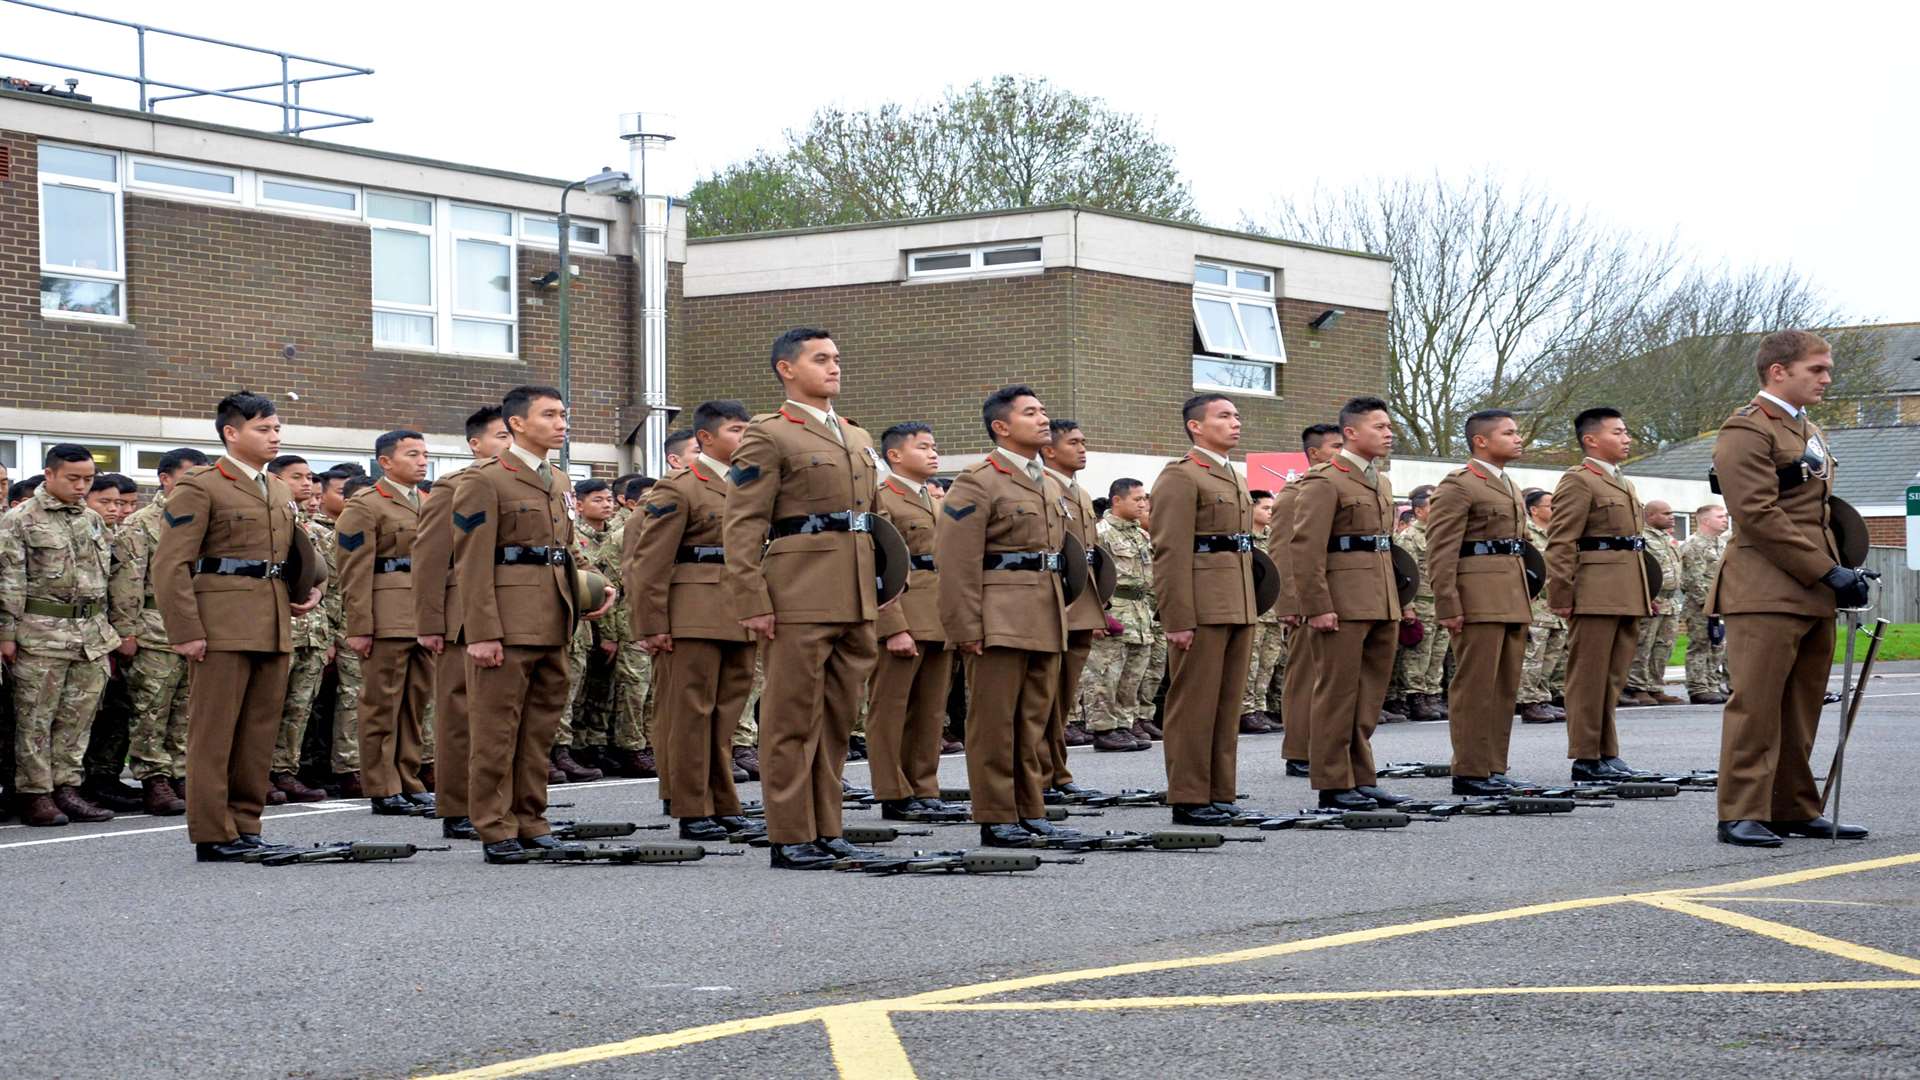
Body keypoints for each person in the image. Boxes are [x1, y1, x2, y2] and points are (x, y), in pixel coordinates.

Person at [722, 329, 884, 870]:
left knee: (838, 719)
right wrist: (752, 597)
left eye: (837, 357)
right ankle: (790, 834)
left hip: (856, 592)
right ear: (786, 369)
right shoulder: (770, 434)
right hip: (798, 591)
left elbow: (879, 529)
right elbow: (743, 522)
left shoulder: (857, 437)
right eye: (821, 359)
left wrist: (888, 600)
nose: (834, 367)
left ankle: (827, 826)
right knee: (792, 719)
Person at [1710, 330, 1868, 846]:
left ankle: (1792, 807)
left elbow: (1820, 513)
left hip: (1811, 587)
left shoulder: (1808, 430)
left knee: (1801, 705)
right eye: (1816, 369)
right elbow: (1756, 514)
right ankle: (1740, 811)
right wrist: (1825, 571)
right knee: (1756, 704)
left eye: (1827, 368)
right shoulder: (1747, 429)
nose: (1827, 378)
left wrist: (1846, 567)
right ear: (1779, 371)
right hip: (1764, 587)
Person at [153, 392, 324, 860]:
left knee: (258, 732)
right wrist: (186, 630)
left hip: (271, 621)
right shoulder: (202, 486)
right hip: (221, 624)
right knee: (214, 733)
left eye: (276, 428)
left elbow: (297, 552)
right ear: (231, 432)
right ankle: (213, 832)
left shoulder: (278, 488)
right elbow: (171, 565)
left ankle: (246, 824)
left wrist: (313, 587)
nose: (275, 437)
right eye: (263, 429)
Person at [455, 386, 614, 863]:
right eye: (549, 415)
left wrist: (594, 588)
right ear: (518, 424)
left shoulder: (560, 481)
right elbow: (471, 561)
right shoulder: (486, 478)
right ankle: (494, 826)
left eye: (564, 414)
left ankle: (531, 819)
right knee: (496, 731)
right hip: (506, 622)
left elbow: (562, 552)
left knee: (540, 729)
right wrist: (481, 632)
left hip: (554, 617)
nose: (562, 423)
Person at [936, 385, 1079, 847]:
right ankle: (997, 815)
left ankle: (1029, 808)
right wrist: (965, 627)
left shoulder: (1047, 481)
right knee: (994, 722)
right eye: (1030, 413)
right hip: (998, 615)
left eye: (1043, 411)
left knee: (1032, 720)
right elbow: (956, 561)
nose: (1043, 420)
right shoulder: (979, 479)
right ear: (1001, 426)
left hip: (1044, 612)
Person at [627, 400, 765, 842]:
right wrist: (651, 625)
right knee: (690, 715)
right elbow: (649, 563)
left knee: (726, 716)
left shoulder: (750, 486)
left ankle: (722, 799)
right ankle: (691, 806)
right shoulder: (680, 487)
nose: (745, 440)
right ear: (706, 438)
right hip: (691, 612)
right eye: (736, 431)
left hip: (738, 611)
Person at [1288, 397, 1412, 810]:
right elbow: (1306, 548)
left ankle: (1361, 775)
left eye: (1389, 426)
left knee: (1368, 695)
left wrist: (1399, 600)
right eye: (1379, 426)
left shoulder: (1380, 481)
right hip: (1341, 602)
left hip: (1380, 599)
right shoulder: (1326, 479)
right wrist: (1317, 604)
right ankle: (1332, 781)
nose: (1388, 433)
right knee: (1336, 693)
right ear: (1351, 433)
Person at [1150, 393, 1261, 825]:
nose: (1236, 422)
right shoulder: (1182, 476)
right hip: (1202, 606)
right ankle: (1190, 796)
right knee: (1194, 704)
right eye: (1224, 416)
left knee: (1225, 703)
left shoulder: (1231, 474)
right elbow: (1169, 552)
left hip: (1236, 602)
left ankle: (1219, 791)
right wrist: (1177, 618)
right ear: (1196, 426)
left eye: (1237, 415)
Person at [0, 443, 119, 826]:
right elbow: (9, 581)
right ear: (48, 474)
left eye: (88, 479)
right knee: (36, 720)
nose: (82, 486)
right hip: (40, 634)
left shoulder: (92, 519)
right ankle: (36, 794)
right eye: (73, 478)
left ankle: (68, 787)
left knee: (76, 719)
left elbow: (107, 579)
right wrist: (7, 634)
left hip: (90, 636)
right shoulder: (20, 520)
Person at [414, 405, 513, 841]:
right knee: (460, 714)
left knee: (507, 718)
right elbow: (431, 557)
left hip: (516, 613)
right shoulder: (454, 485)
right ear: (476, 444)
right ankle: (457, 807)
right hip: (462, 618)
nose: (508, 443)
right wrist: (430, 622)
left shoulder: (537, 481)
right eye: (500, 436)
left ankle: (503, 804)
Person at [1424, 410, 1534, 795]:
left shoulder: (1509, 485)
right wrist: (1448, 603)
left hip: (1510, 596)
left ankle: (1493, 767)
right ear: (1481, 441)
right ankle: (1470, 770)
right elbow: (1440, 549)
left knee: (1503, 688)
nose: (1518, 438)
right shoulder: (1460, 485)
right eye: (1509, 433)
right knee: (1475, 686)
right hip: (1477, 598)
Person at [1546, 406, 1655, 782]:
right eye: (1618, 432)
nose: (1627, 439)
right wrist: (1561, 594)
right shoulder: (1579, 480)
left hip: (1625, 590)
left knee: (1612, 677)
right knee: (1588, 676)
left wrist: (1644, 591)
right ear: (1591, 439)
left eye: (1627, 433)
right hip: (1594, 591)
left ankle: (1607, 751)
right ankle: (1586, 756)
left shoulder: (1622, 481)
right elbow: (1561, 542)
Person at [864, 421, 961, 817]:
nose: (933, 453)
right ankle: (893, 792)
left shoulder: (936, 501)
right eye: (923, 447)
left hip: (937, 616)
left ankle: (924, 787)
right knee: (891, 709)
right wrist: (893, 625)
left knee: (931, 709)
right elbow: (879, 564)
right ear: (895, 455)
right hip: (903, 613)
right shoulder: (883, 497)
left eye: (934, 446)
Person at [337, 430, 436, 815]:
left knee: (415, 704)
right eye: (412, 454)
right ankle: (382, 784)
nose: (422, 461)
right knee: (382, 704)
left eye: (424, 454)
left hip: (423, 616)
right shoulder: (366, 504)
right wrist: (360, 626)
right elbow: (353, 570)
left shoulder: (426, 501)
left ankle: (409, 779)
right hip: (386, 615)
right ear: (386, 462)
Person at [111, 447, 208, 815]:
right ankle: (154, 778)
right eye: (189, 477)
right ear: (165, 480)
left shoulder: (204, 518)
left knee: (187, 709)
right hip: (154, 628)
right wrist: (126, 631)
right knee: (151, 709)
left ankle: (182, 773)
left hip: (198, 627)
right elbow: (127, 582)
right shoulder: (142, 524)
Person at [1038, 419, 1106, 794]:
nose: (1082, 448)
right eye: (1073, 443)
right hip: (1056, 603)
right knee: (1043, 699)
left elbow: (1089, 557)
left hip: (1080, 605)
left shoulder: (1078, 492)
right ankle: (1043, 774)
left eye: (1084, 441)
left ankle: (1056, 772)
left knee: (1062, 700)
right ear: (1049, 450)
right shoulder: (1043, 486)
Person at [1276, 423, 1346, 776]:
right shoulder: (1297, 492)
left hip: (1337, 596)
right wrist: (1290, 603)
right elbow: (1286, 552)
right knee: (1305, 676)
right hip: (1307, 601)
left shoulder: (1341, 486)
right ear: (1315, 453)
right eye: (1336, 446)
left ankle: (1325, 747)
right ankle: (1299, 749)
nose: (1342, 450)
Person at [264, 455, 329, 802]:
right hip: (277, 626)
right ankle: (256, 772)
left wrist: (320, 597)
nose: (306, 483)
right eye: (296, 477)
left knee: (298, 708)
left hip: (313, 632)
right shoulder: (269, 523)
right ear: (274, 480)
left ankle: (285, 770)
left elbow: (329, 581)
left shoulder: (316, 530)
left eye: (308, 477)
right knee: (266, 706)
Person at [79, 472, 144, 811]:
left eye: (120, 503)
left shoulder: (117, 537)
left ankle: (105, 776)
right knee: (85, 714)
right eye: (105, 502)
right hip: (84, 635)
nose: (116, 509)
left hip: (113, 635)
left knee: (117, 710)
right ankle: (84, 781)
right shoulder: (85, 533)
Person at [1083, 479, 1154, 752]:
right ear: (1116, 501)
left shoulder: (1140, 535)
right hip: (1113, 609)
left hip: (1139, 613)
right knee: (1104, 674)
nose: (1142, 504)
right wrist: (1095, 613)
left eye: (1144, 499)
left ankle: (1124, 725)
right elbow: (1090, 575)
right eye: (1136, 499)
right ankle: (1104, 729)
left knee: (1132, 675)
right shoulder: (1101, 532)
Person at [313, 468, 364, 797]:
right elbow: (331, 589)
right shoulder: (322, 533)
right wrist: (330, 634)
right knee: (348, 700)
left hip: (362, 622)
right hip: (338, 626)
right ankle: (346, 767)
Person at [1624, 501, 1686, 707]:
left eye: (1672, 512)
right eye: (1666, 513)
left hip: (1670, 600)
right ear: (1649, 516)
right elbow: (1637, 569)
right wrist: (1645, 596)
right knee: (1643, 645)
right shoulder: (1641, 537)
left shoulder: (1667, 538)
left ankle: (1654, 686)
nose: (1671, 516)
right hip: (1652, 599)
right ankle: (1636, 687)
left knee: (1664, 646)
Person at [1394, 486, 1448, 723]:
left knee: (1437, 653)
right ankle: (1415, 697)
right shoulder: (1409, 537)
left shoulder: (1441, 534)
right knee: (1419, 654)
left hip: (1441, 603)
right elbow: (1407, 574)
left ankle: (1432, 694)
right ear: (1419, 511)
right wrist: (1408, 606)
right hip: (1422, 602)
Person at [1516, 489, 1570, 724]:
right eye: (1550, 506)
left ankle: (1542, 698)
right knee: (1532, 656)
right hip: (1536, 603)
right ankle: (1528, 703)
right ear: (1534, 510)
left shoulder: (1558, 534)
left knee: (1551, 656)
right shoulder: (1527, 535)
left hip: (1555, 606)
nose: (1555, 511)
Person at [1680, 504, 1731, 704]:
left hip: (1719, 603)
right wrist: (1709, 606)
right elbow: (1693, 580)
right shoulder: (1694, 544)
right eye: (1720, 517)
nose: (1725, 520)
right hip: (1700, 605)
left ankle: (1711, 684)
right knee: (1701, 645)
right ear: (1705, 521)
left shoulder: (1720, 543)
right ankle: (1698, 687)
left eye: (1725, 516)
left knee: (1717, 644)